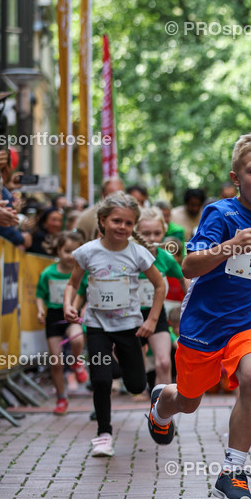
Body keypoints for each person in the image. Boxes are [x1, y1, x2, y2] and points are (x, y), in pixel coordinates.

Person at [144, 132, 251, 499]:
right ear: (236, 177)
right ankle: (162, 403)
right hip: (206, 324)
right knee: (189, 400)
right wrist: (228, 248)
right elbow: (189, 265)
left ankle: (233, 473)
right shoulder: (220, 213)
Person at [63, 193, 165, 457]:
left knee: (135, 385)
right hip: (96, 324)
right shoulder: (87, 252)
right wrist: (69, 305)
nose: (122, 227)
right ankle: (103, 434)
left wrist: (152, 319)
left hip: (129, 325)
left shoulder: (138, 253)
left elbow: (159, 285)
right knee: (100, 379)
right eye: (116, 221)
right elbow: (73, 283)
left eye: (128, 223)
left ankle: (114, 369)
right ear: (102, 221)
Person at [35, 231, 88, 414]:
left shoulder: (81, 273)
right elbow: (40, 295)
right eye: (66, 251)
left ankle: (76, 362)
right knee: (56, 361)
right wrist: (41, 310)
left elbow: (82, 293)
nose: (70, 256)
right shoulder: (48, 273)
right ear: (58, 250)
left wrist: (75, 307)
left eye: (75, 251)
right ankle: (61, 398)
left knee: (77, 339)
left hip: (71, 314)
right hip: (54, 317)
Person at [135, 207, 188, 389]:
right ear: (136, 233)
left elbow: (183, 278)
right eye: (145, 233)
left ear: (164, 233)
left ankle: (161, 414)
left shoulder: (165, 257)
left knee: (164, 363)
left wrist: (190, 304)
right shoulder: (127, 256)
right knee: (133, 370)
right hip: (129, 317)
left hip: (157, 315)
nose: (151, 238)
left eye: (157, 233)